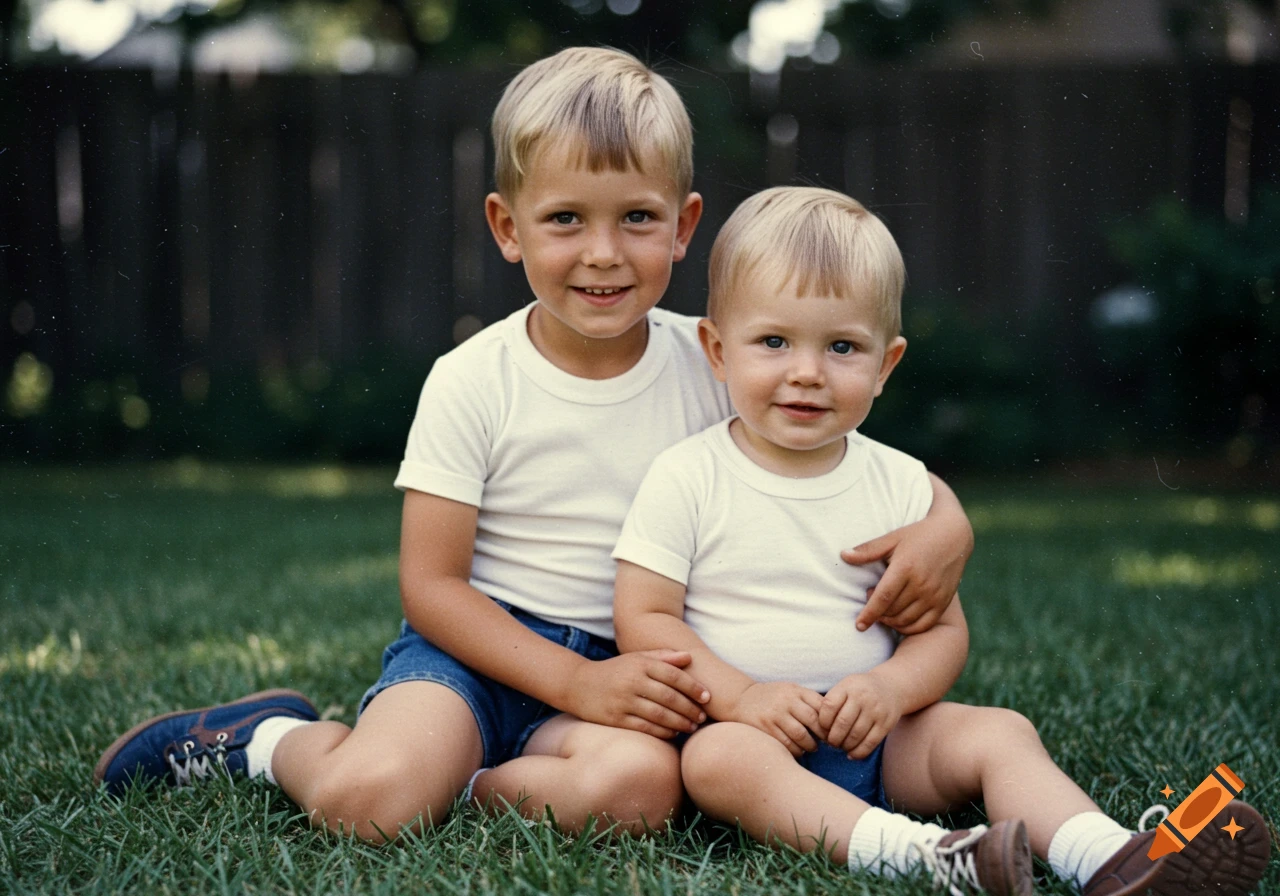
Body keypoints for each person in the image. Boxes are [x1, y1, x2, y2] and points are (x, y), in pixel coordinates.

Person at [93, 48, 976, 844]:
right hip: (478, 656)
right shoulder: (475, 379)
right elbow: (431, 587)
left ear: (683, 223)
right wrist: (575, 684)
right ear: (507, 227)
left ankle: (462, 786)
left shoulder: (717, 362)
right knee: (369, 802)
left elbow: (868, 463)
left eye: (637, 216)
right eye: (564, 220)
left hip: (637, 670)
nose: (603, 253)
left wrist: (949, 528)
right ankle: (277, 741)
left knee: (638, 792)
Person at [612, 186, 1270, 895]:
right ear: (716, 348)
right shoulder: (689, 475)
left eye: (842, 347)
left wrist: (891, 691)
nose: (807, 371)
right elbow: (644, 617)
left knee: (1000, 731)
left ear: (885, 365)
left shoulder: (902, 486)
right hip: (749, 735)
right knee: (717, 760)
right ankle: (929, 856)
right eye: (773, 341)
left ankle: (1110, 856)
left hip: (884, 742)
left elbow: (943, 633)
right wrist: (740, 697)